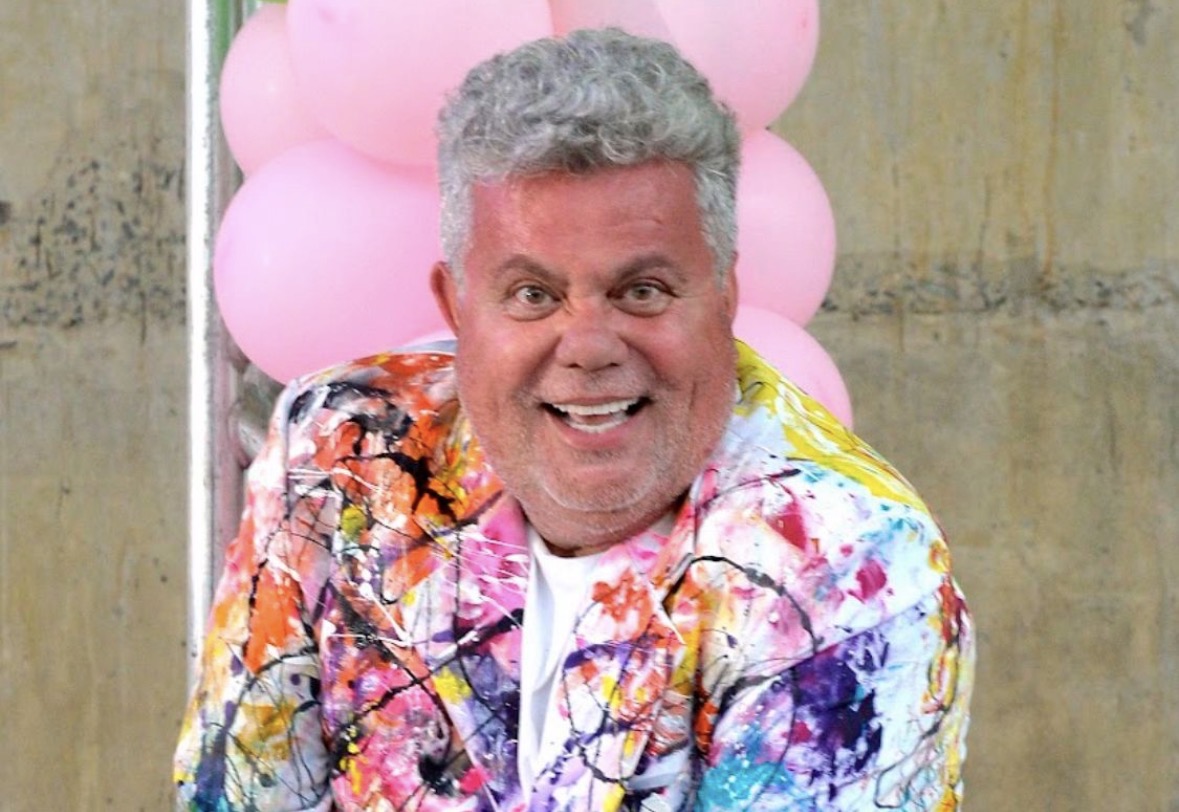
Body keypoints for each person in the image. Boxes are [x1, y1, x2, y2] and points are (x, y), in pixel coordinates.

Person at [175, 27, 974, 811]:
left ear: (724, 297)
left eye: (642, 291)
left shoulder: (843, 560)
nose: (588, 346)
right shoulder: (342, 448)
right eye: (533, 295)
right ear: (455, 307)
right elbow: (232, 795)